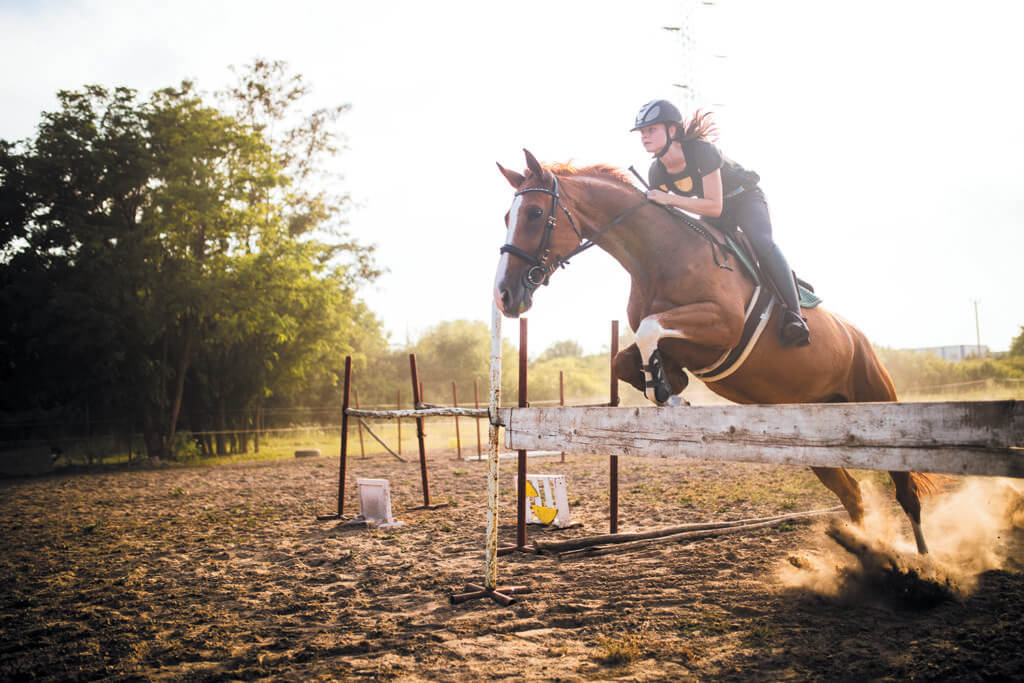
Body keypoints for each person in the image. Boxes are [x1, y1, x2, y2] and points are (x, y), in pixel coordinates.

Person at [632, 99, 810, 347]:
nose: (644, 137)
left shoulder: (701, 151)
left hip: (744, 198)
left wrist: (668, 198)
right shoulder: (656, 171)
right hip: (717, 212)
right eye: (642, 132)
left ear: (672, 131)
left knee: (761, 241)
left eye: (651, 129)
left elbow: (714, 206)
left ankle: (795, 314)